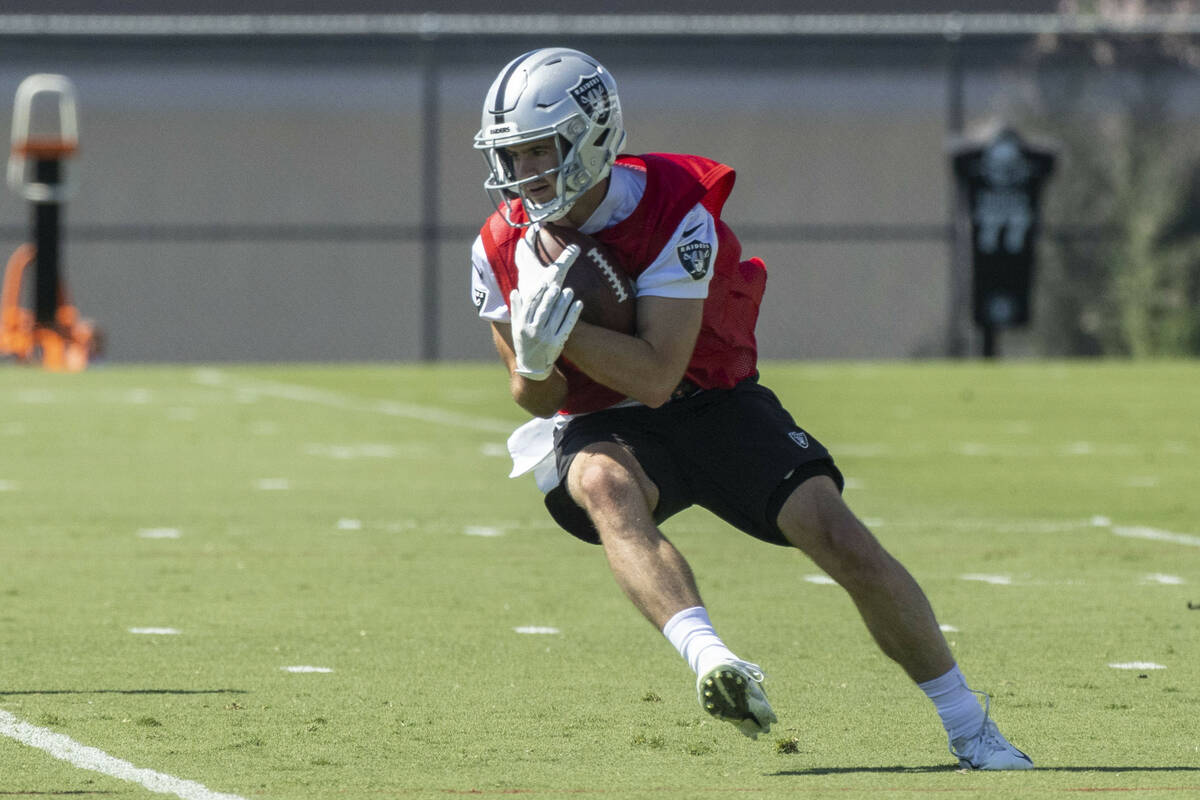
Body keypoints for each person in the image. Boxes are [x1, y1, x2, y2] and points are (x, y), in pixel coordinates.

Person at [468, 47, 1032, 770]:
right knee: (605, 486)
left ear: (593, 135)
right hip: (600, 420)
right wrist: (539, 361)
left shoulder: (674, 207)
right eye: (511, 155)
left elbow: (657, 374)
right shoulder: (500, 243)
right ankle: (711, 660)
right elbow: (533, 398)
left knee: (839, 535)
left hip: (713, 399)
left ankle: (970, 726)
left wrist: (568, 332)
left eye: (539, 150)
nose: (523, 173)